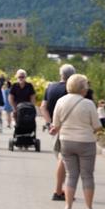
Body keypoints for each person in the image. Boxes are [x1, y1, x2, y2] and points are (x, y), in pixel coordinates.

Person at [51, 74, 103, 209]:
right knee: (87, 176)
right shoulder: (88, 104)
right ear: (83, 88)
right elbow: (97, 126)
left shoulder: (60, 101)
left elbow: (56, 124)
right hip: (86, 142)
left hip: (66, 142)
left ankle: (67, 208)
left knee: (71, 175)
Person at [42, 64, 76, 201]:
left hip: (55, 127)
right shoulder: (72, 90)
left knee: (62, 158)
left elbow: (43, 106)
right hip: (68, 128)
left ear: (60, 74)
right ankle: (60, 191)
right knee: (64, 160)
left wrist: (49, 122)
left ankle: (61, 189)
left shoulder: (50, 87)